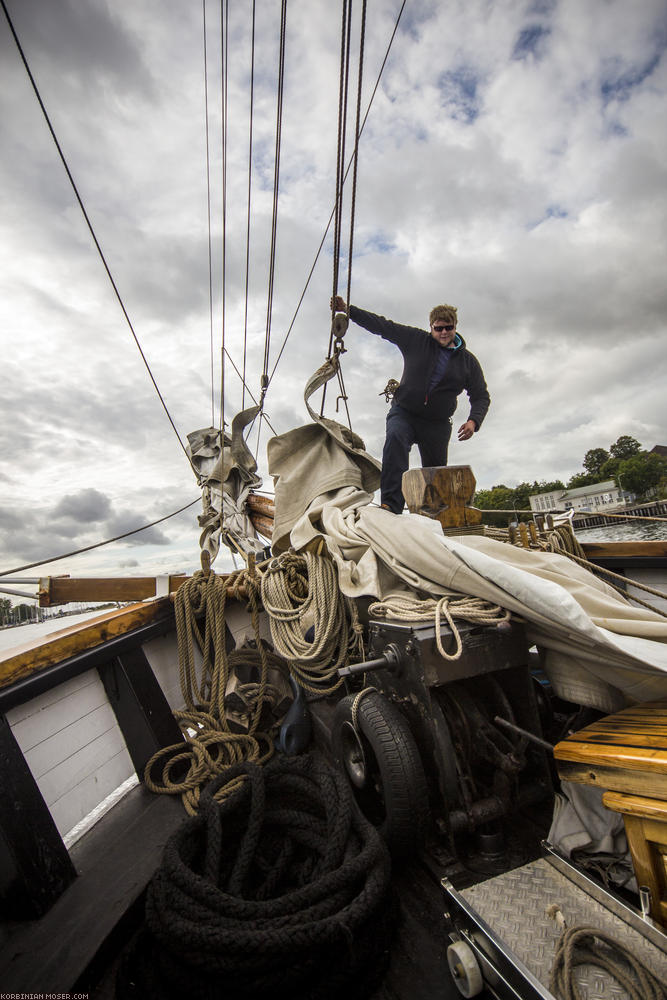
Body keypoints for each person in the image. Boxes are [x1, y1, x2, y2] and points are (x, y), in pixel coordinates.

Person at [331, 296, 490, 513]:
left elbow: (481, 395)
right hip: (404, 412)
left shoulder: (468, 362)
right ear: (431, 328)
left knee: (436, 473)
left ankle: (434, 514)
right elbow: (383, 326)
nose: (443, 333)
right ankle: (391, 505)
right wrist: (349, 310)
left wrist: (473, 421)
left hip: (437, 423)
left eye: (448, 328)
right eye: (438, 328)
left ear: (455, 327)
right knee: (395, 439)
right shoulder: (416, 339)